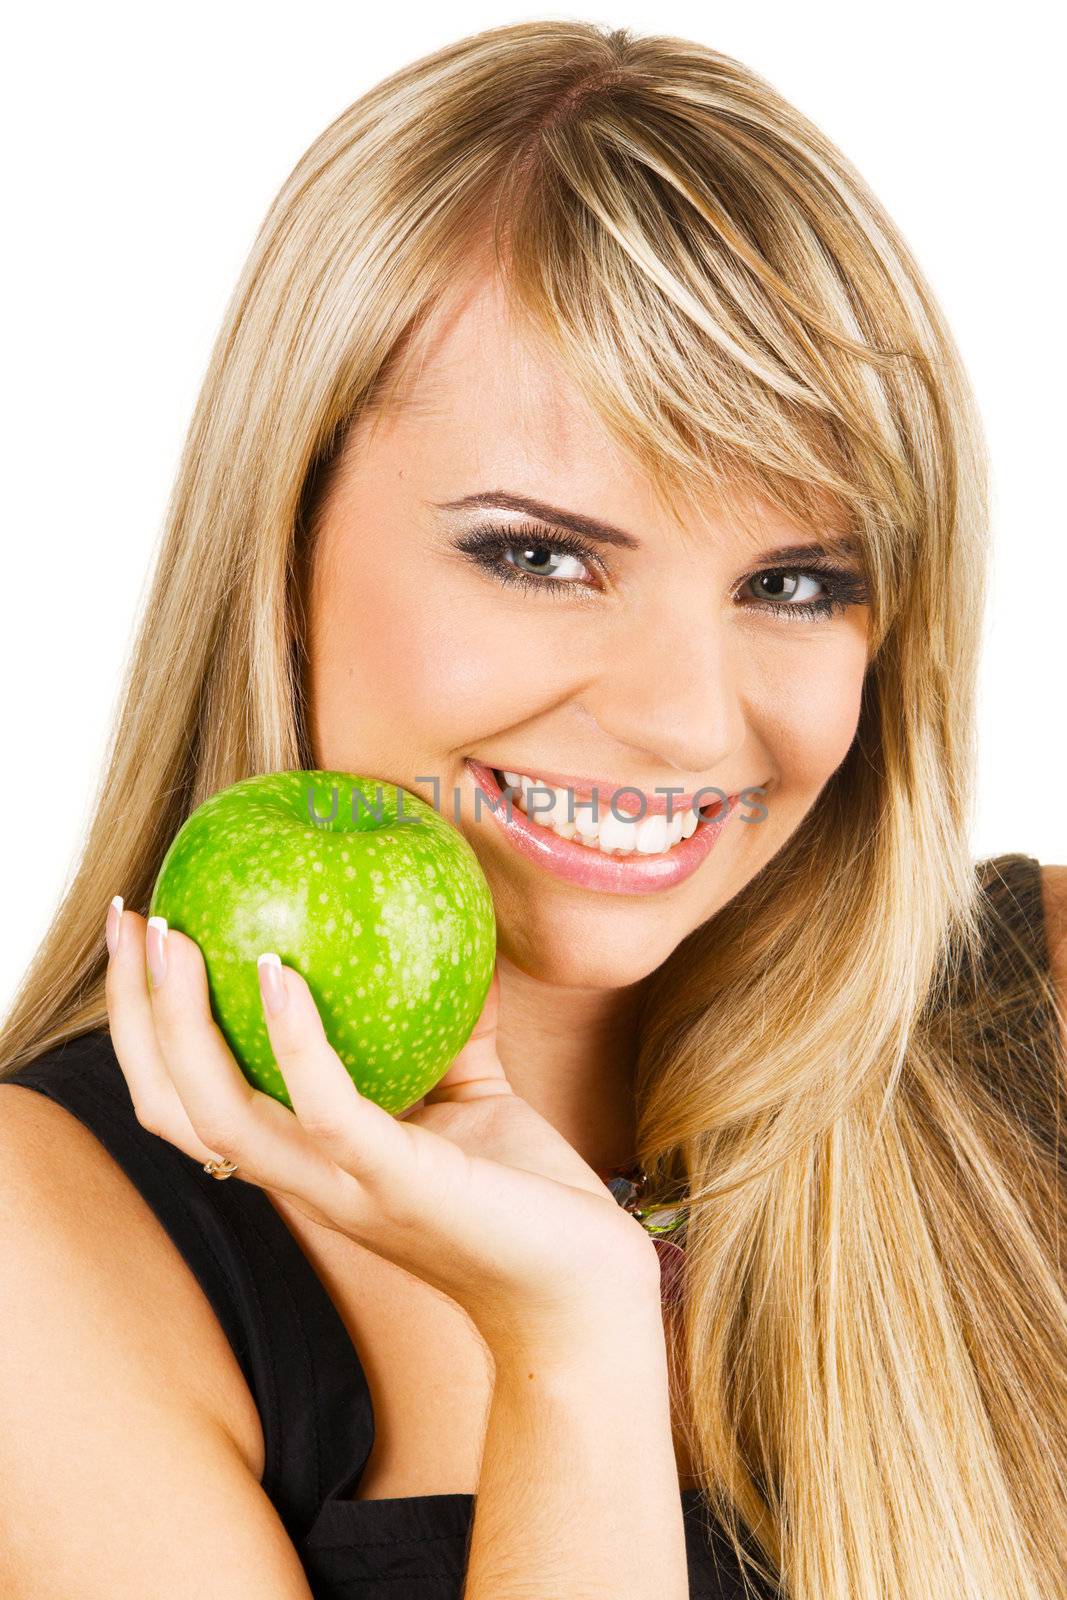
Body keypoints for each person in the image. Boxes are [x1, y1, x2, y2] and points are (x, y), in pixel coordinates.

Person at [1, 18, 1064, 1600]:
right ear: (280, 547)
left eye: (793, 582)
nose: (691, 717)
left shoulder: (1037, 1016)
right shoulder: (48, 1246)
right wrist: (570, 1339)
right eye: (540, 554)